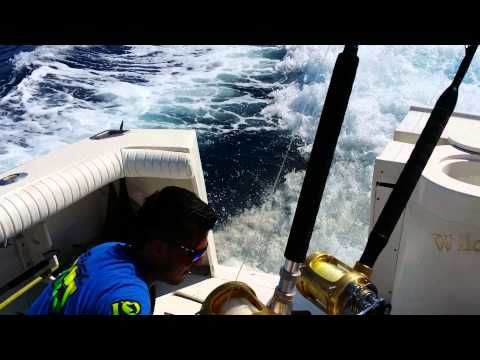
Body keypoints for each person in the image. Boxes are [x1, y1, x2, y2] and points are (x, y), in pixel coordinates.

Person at [27, 186, 217, 315]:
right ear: (159, 248)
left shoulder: (106, 249)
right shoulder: (130, 301)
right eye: (195, 253)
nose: (200, 261)